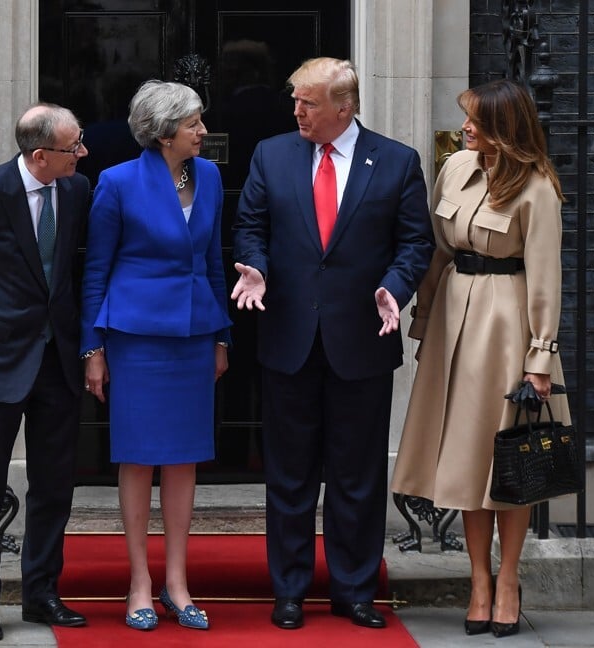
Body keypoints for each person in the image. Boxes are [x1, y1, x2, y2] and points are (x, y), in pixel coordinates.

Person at [231, 57, 434, 630]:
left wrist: (395, 289)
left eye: (308, 102)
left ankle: (354, 590)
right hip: (289, 337)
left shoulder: (396, 162)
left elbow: (415, 243)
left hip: (362, 341)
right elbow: (250, 226)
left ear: (344, 108)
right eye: (295, 99)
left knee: (358, 475)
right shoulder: (272, 154)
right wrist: (257, 268)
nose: (296, 109)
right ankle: (290, 591)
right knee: (289, 476)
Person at [390, 78, 570, 639]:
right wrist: (421, 325)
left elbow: (545, 279)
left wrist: (539, 358)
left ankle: (509, 579)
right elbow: (438, 255)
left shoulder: (538, 188)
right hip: (452, 322)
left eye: (477, 121)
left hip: (506, 324)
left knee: (509, 459)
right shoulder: (455, 170)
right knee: (468, 457)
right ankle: (478, 581)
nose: (465, 128)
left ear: (505, 129)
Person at [80, 80, 232, 632]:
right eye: (194, 123)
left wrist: (222, 335)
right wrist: (92, 347)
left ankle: (177, 582)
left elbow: (214, 259)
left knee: (185, 457)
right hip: (136, 336)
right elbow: (96, 269)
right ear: (165, 132)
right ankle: (139, 582)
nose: (202, 131)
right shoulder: (116, 183)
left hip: (194, 333)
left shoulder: (209, 176)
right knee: (139, 456)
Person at [0, 103, 90, 641]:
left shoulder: (76, 190)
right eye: (74, 146)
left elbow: (75, 268)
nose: (83, 153)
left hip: (57, 360)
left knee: (54, 484)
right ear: (40, 154)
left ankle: (41, 593)